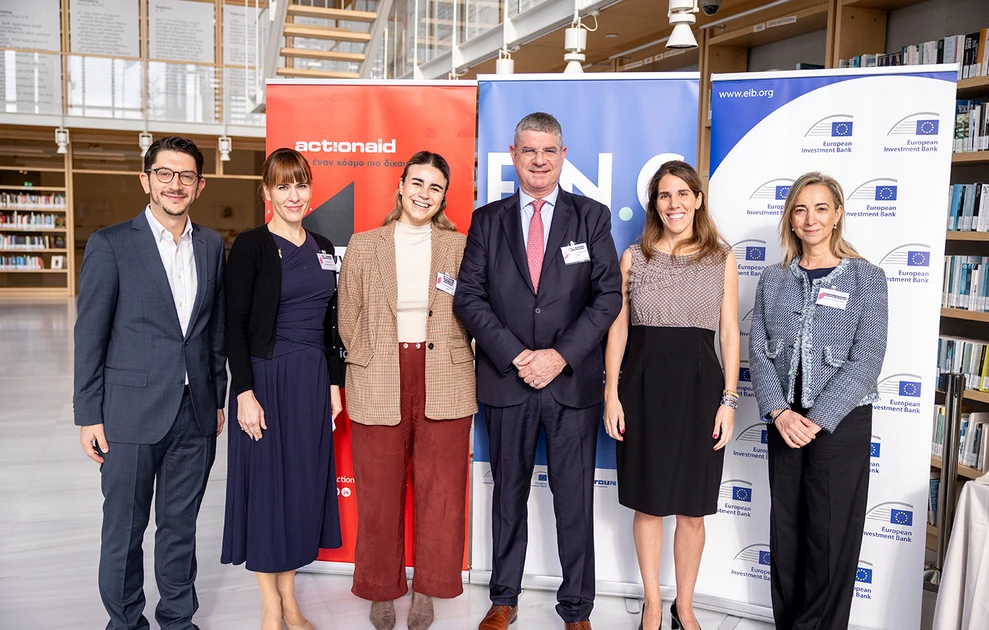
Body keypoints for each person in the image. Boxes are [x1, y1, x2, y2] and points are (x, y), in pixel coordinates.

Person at [454, 112, 622, 630]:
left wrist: (559, 356)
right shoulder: (488, 220)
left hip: (571, 383)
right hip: (508, 381)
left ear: (563, 155)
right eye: (529, 150)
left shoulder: (590, 216)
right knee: (508, 497)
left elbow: (608, 296)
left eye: (549, 150)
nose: (539, 160)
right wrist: (516, 355)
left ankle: (576, 609)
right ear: (513, 154)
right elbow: (469, 297)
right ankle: (503, 599)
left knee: (574, 500)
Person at [74, 136, 227, 630]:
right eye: (164, 173)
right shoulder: (112, 244)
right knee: (125, 530)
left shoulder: (210, 246)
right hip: (129, 414)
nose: (175, 184)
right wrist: (89, 415)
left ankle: (178, 620)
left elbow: (214, 331)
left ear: (200, 185)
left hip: (195, 413)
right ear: (146, 180)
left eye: (186, 175)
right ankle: (125, 623)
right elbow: (90, 335)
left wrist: (217, 399)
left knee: (180, 528)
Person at [337, 151, 477, 630]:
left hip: (445, 375)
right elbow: (347, 316)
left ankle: (428, 589)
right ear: (400, 186)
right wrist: (372, 354)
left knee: (442, 494)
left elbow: (475, 311)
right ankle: (380, 587)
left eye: (435, 187)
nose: (424, 194)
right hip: (378, 373)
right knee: (378, 493)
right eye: (417, 183)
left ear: (443, 197)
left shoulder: (460, 247)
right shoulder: (365, 245)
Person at [603, 160, 739, 630]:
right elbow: (618, 329)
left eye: (683, 194)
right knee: (648, 504)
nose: (674, 203)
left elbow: (729, 331)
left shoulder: (721, 257)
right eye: (664, 195)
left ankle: (684, 605)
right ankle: (652, 604)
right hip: (641, 389)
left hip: (701, 391)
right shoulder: (634, 257)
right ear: (654, 204)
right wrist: (611, 393)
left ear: (698, 199)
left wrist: (729, 400)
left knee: (692, 510)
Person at [749, 172, 888, 630]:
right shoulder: (773, 278)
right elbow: (759, 350)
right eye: (800, 209)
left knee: (829, 537)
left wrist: (818, 418)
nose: (810, 218)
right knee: (787, 531)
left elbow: (868, 358)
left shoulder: (867, 277)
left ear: (838, 215)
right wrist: (779, 412)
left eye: (821, 208)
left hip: (841, 423)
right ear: (790, 218)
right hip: (783, 420)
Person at [220, 148, 344, 630]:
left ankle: (290, 597)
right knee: (267, 488)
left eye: (301, 184)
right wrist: (244, 393)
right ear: (267, 192)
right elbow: (233, 326)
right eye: (283, 186)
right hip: (266, 380)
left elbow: (331, 325)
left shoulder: (323, 245)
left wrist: (333, 384)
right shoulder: (251, 246)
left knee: (299, 489)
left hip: (310, 382)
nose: (294, 195)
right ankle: (270, 605)